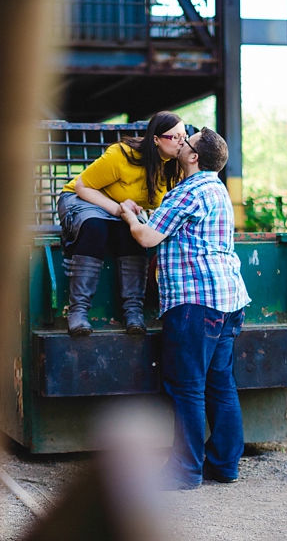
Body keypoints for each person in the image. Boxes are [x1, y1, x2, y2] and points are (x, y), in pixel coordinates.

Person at [119, 127, 251, 490]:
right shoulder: (216, 189)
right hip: (227, 299)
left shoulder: (189, 191)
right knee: (219, 384)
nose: (181, 142)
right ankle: (224, 465)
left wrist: (128, 215)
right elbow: (175, 229)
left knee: (188, 387)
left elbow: (147, 237)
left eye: (187, 141)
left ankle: (185, 470)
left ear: (194, 156)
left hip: (196, 301)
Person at [57, 111, 186, 336]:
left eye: (184, 137)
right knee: (95, 226)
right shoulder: (122, 155)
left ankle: (133, 312)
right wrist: (118, 208)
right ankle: (78, 311)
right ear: (155, 139)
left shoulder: (175, 168)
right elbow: (83, 187)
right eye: (174, 137)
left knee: (133, 233)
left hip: (122, 208)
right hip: (84, 198)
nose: (181, 143)